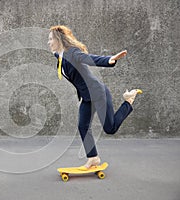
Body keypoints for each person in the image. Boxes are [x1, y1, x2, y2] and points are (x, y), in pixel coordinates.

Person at [48, 25, 142, 170]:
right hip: (87, 97)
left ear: (59, 40)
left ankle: (128, 101)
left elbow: (88, 58)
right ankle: (93, 158)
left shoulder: (72, 53)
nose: (49, 42)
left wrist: (110, 59)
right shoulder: (59, 56)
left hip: (98, 93)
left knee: (110, 128)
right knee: (83, 126)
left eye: (50, 39)